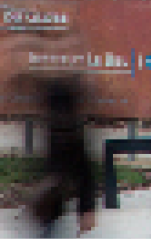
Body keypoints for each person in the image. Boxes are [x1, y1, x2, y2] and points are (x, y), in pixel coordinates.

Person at [21, 74, 98, 237]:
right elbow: (84, 172)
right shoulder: (63, 130)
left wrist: (86, 208)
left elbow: (83, 171)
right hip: (49, 205)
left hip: (50, 206)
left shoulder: (62, 132)